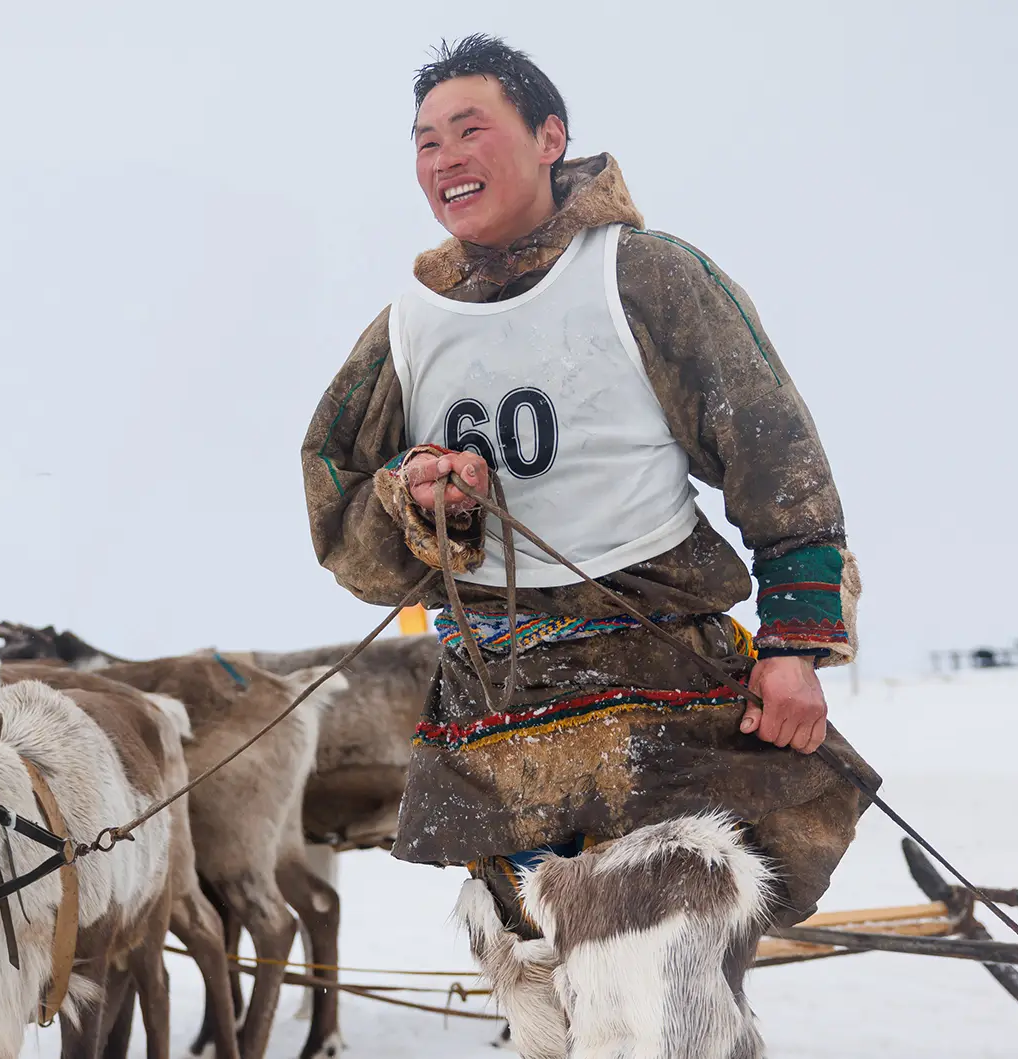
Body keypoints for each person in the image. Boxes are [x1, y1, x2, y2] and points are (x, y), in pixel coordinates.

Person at [300, 35, 877, 1057]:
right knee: (546, 1018)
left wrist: (793, 645)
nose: (442, 159)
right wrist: (415, 500)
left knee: (663, 1019)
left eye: (468, 129)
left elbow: (774, 457)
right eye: (424, 142)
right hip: (494, 729)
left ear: (549, 139)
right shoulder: (407, 327)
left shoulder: (644, 278)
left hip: (656, 706)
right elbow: (343, 529)